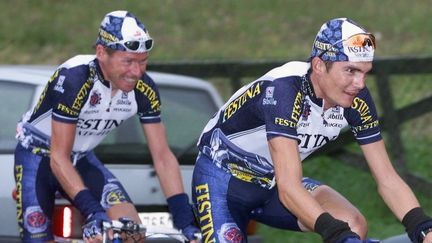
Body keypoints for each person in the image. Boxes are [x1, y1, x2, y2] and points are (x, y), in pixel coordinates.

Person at [191, 17, 432, 243]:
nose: (359, 84)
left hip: (273, 181)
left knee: (353, 224)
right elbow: (289, 190)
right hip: (222, 180)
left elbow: (387, 178)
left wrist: (423, 228)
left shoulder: (356, 98)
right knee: (342, 232)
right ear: (318, 65)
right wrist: (337, 235)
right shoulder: (284, 90)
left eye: (365, 72)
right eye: (350, 70)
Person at [14, 10, 199, 243]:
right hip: (38, 157)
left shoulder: (144, 89)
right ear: (101, 53)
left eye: (143, 61)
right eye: (128, 61)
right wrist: (92, 211)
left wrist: (185, 221)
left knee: (131, 233)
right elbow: (58, 158)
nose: (136, 72)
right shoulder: (75, 78)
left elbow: (162, 156)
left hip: (80, 158)